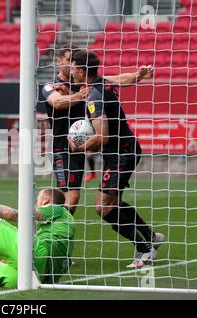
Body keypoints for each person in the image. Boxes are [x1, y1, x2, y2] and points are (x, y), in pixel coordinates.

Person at [68, 50, 165, 268]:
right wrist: (138, 76)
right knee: (113, 204)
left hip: (122, 154)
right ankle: (150, 237)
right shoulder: (101, 83)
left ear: (82, 71)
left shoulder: (94, 98)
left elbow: (103, 136)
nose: (70, 71)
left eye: (73, 68)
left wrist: (80, 146)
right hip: (123, 151)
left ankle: (144, 249)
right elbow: (121, 78)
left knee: (104, 209)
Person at [42, 44, 154, 215]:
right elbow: (57, 102)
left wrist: (138, 75)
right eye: (68, 59)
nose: (71, 63)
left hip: (84, 144)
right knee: (72, 197)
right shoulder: (51, 86)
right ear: (59, 62)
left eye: (74, 59)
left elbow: (117, 79)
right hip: (63, 147)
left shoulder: (87, 83)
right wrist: (78, 95)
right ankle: (55, 235)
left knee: (95, 202)